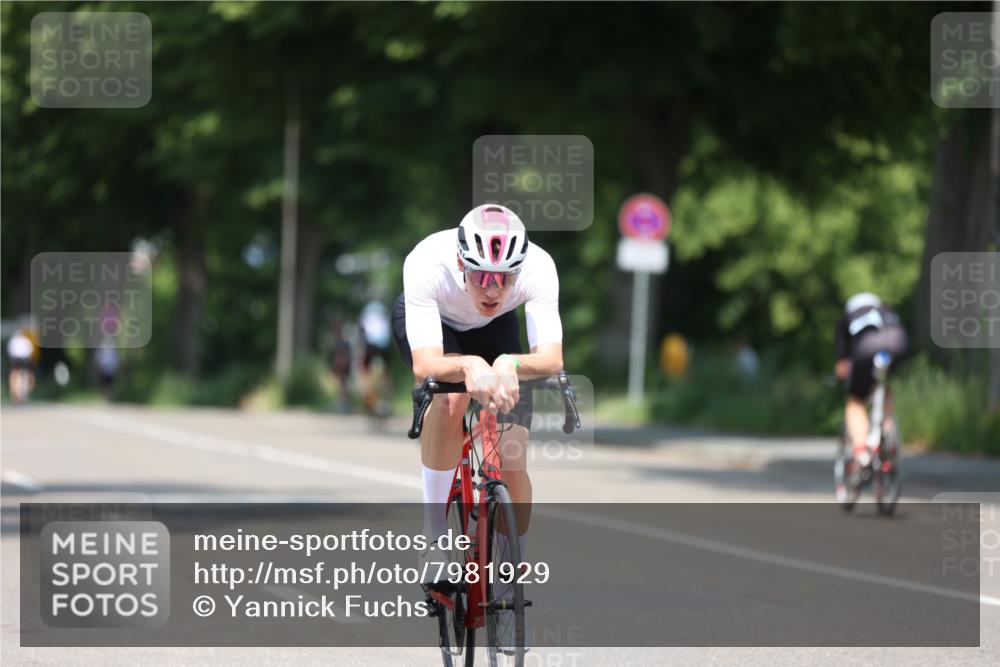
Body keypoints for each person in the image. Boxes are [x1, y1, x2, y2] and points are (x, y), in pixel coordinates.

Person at [393, 203, 563, 584]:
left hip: (497, 330)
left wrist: (510, 364)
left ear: (519, 269)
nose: (492, 288)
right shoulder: (426, 263)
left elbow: (551, 358)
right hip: (438, 325)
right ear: (460, 262)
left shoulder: (539, 267)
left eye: (505, 277)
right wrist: (470, 365)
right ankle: (435, 535)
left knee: (510, 460)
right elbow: (426, 364)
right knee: (451, 399)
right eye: (482, 274)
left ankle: (511, 575)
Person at [834, 292, 908, 468]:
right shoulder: (887, 310)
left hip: (867, 347)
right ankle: (888, 432)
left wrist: (842, 369)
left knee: (855, 401)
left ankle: (861, 451)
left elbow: (843, 361)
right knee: (883, 385)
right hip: (898, 343)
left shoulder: (848, 317)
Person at [6, 328, 37, 403]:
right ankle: (21, 392)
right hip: (23, 360)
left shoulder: (15, 340)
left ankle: (17, 393)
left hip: (17, 360)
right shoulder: (25, 340)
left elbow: (10, 351)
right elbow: (30, 350)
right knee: (25, 373)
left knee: (15, 374)